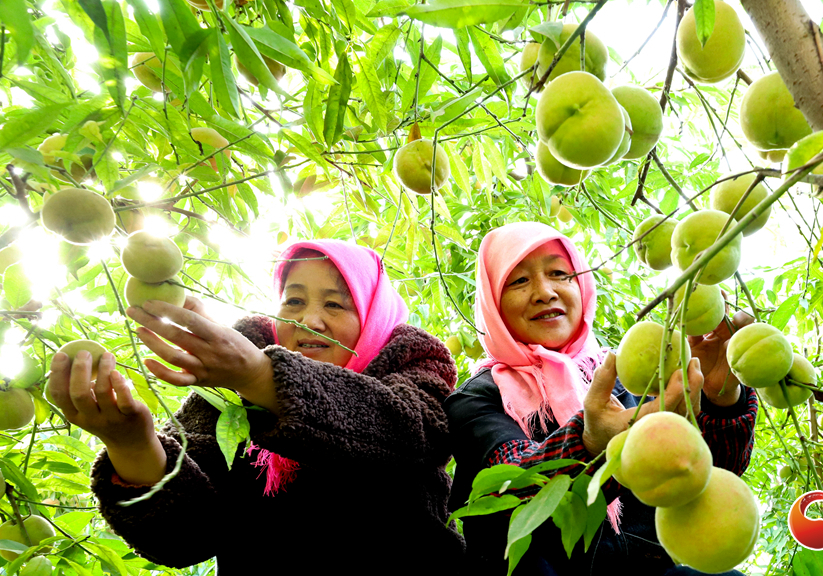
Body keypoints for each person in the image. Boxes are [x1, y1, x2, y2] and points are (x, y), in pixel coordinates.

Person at [46, 240, 465, 574]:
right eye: (294, 301)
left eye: (335, 304)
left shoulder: (413, 359)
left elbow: (413, 435)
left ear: (373, 314)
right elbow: (184, 537)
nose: (308, 320)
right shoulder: (233, 381)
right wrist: (132, 445)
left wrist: (260, 377)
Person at [444, 221, 758, 575]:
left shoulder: (625, 377)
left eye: (559, 273)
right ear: (492, 303)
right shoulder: (477, 400)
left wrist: (720, 399)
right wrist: (589, 442)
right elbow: (513, 486)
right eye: (519, 281)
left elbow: (698, 471)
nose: (545, 291)